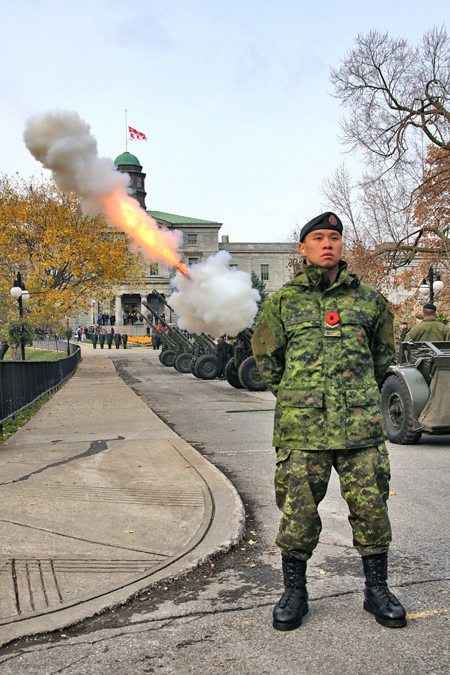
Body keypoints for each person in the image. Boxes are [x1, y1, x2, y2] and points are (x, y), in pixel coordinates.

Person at [252, 211, 406, 632]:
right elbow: (267, 358)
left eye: (334, 238)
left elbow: (382, 355)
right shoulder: (282, 303)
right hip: (302, 431)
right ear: (303, 249)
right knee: (298, 514)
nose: (327, 244)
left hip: (360, 431)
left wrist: (357, 395)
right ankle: (294, 593)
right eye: (318, 238)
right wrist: (296, 397)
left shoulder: (370, 301)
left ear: (342, 247)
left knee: (372, 510)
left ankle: (376, 591)